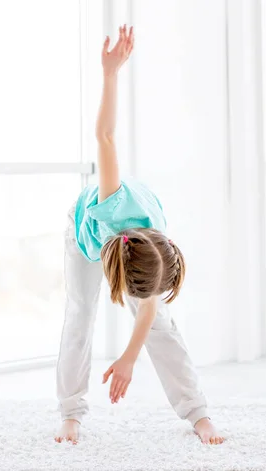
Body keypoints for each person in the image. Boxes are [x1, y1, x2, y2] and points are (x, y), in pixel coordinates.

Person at [55, 25, 224, 446]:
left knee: (161, 326)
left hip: (132, 253)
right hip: (84, 238)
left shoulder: (154, 248)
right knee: (80, 316)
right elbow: (105, 136)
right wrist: (110, 73)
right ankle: (70, 413)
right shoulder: (112, 201)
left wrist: (129, 358)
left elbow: (148, 309)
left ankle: (198, 413)